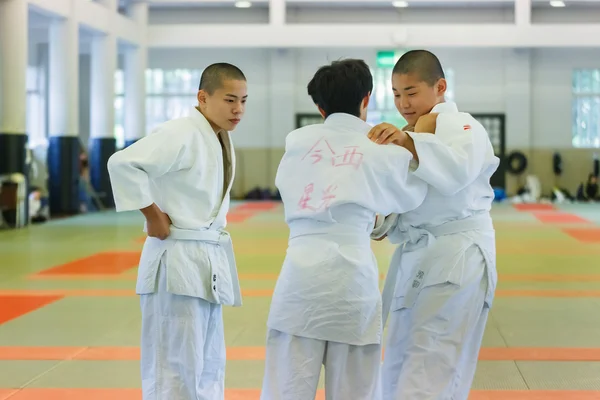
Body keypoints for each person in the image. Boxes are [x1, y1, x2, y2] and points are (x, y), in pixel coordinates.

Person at [260, 59, 428, 400]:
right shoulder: (383, 149)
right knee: (357, 393)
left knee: (286, 390)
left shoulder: (296, 143)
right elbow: (416, 193)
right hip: (352, 285)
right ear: (366, 99)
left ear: (320, 107)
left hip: (298, 283)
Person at [107, 62, 247, 400]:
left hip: (205, 257)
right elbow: (122, 163)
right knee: (174, 364)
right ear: (203, 97)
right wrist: (153, 214)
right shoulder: (181, 131)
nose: (238, 109)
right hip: (176, 257)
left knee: (207, 362)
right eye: (230, 100)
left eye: (243, 100)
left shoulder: (218, 137)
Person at [367, 50, 499, 400]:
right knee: (397, 359)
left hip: (457, 254)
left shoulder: (462, 125)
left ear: (440, 86)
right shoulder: (406, 134)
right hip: (418, 257)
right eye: (396, 94)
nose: (403, 103)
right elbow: (396, 202)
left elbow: (456, 171)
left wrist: (409, 142)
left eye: (411, 92)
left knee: (433, 360)